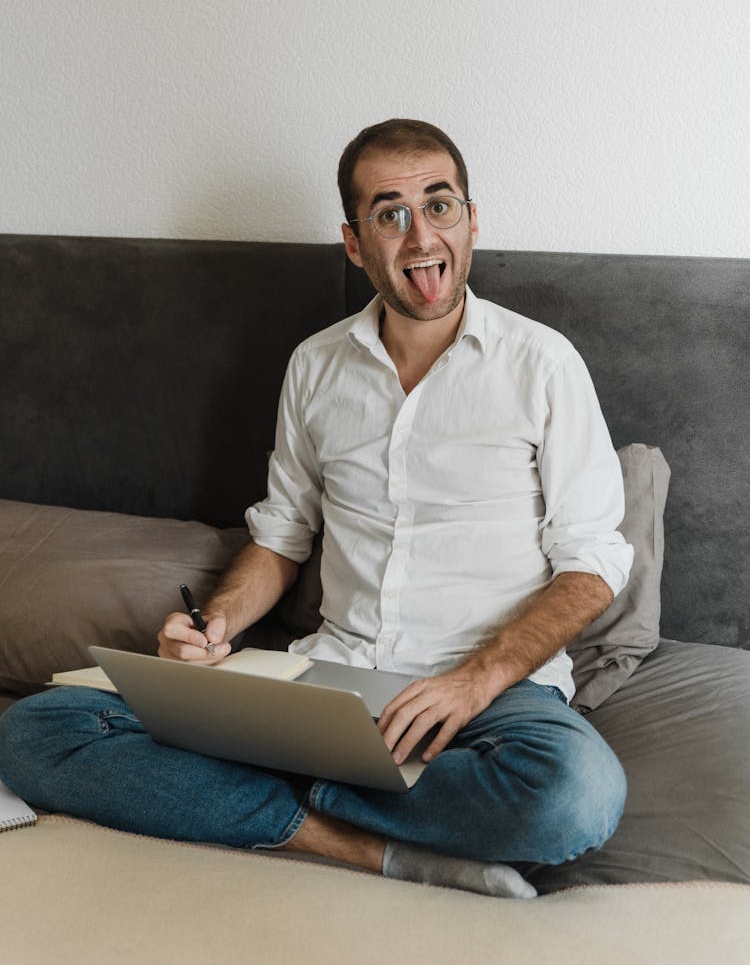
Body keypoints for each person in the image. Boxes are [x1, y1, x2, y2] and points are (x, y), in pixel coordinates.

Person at [0, 119, 632, 899]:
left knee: (575, 797)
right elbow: (281, 536)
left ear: (472, 221)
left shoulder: (544, 364)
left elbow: (593, 564)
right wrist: (218, 625)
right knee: (35, 731)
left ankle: (254, 799)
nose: (418, 235)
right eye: (388, 213)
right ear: (354, 243)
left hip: (492, 699)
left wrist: (472, 682)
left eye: (439, 206)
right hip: (330, 682)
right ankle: (351, 844)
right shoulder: (316, 365)